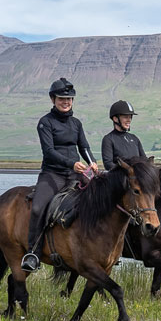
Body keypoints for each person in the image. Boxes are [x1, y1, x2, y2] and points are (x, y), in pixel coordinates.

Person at [22, 78, 98, 272]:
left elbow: (84, 146)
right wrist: (71, 164)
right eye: (62, 98)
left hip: (75, 174)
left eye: (69, 99)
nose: (66, 102)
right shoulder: (45, 123)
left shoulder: (76, 123)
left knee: (99, 200)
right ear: (53, 99)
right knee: (38, 208)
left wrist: (92, 162)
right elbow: (48, 151)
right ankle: (33, 253)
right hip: (52, 174)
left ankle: (98, 249)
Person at [101, 100, 146, 171]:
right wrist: (127, 171)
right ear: (115, 119)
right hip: (120, 179)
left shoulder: (134, 138)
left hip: (137, 178)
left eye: (130, 117)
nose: (129, 120)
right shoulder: (108, 139)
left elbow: (144, 159)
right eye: (125, 117)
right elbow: (108, 164)